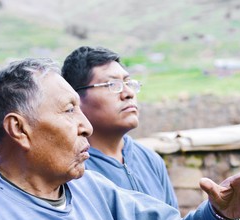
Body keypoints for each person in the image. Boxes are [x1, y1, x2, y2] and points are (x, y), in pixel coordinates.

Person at [0, 58, 240, 220]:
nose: (86, 126)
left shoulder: (94, 190)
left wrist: (217, 216)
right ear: (19, 129)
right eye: (68, 110)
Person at [61, 46, 178, 208]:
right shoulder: (72, 171)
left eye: (128, 83)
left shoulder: (150, 160)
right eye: (112, 85)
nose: (129, 93)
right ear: (76, 99)